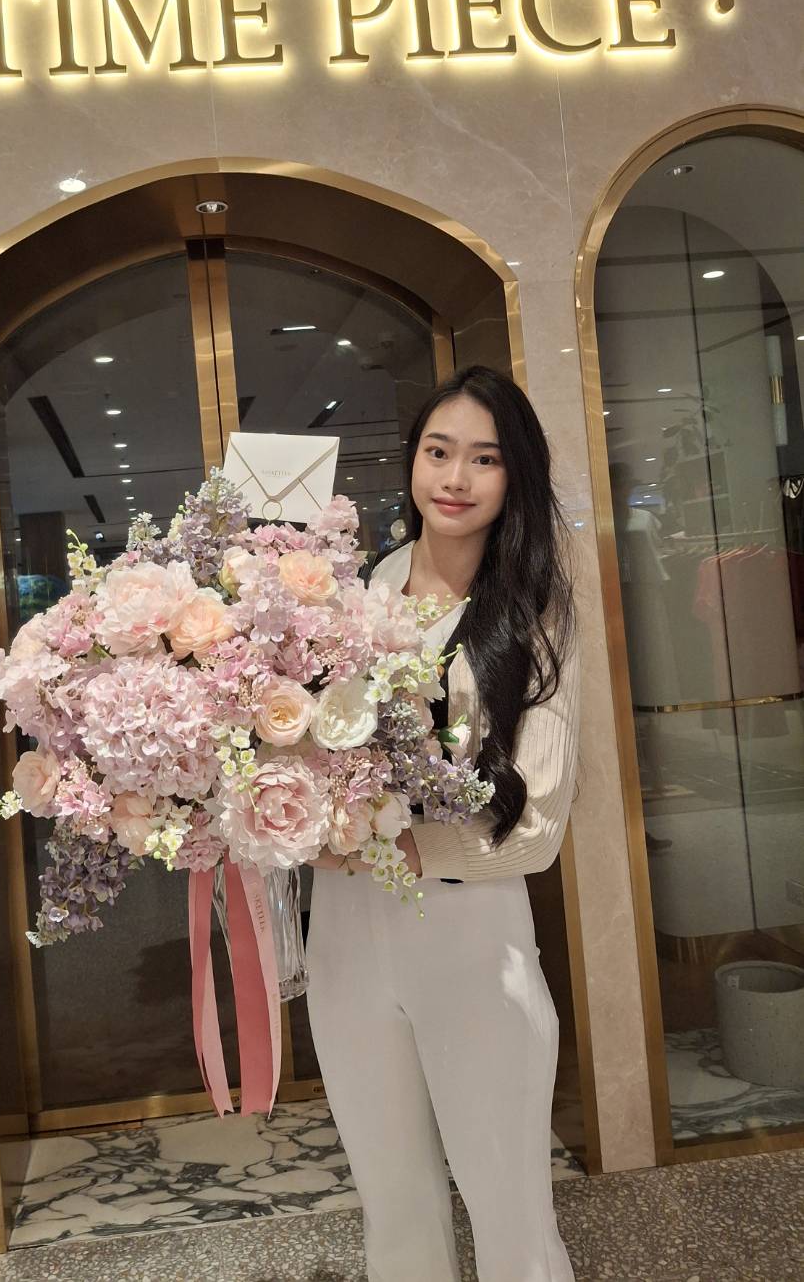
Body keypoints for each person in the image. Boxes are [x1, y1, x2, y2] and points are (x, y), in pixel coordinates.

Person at [307, 364, 582, 1282]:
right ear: (413, 460)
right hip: (346, 939)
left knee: (510, 1215)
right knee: (394, 1211)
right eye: (439, 451)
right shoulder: (361, 590)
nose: (456, 477)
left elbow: (538, 826)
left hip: (470, 940)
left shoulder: (535, 610)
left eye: (485, 458)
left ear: (516, 476)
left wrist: (392, 844)